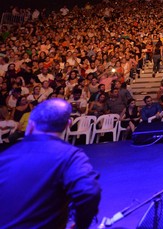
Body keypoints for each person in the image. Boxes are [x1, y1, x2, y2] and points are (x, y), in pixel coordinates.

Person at [0, 98, 101, 229]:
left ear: (31, 125)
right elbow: (89, 192)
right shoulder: (70, 156)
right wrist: (80, 225)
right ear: (68, 124)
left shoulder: (5, 156)